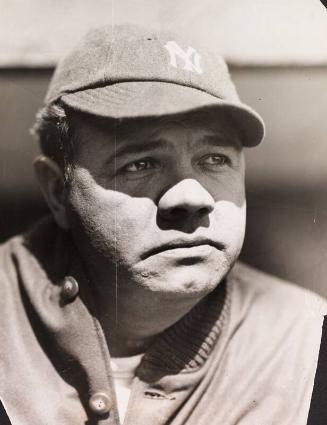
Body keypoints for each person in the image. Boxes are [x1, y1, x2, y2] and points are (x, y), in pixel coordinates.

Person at [0, 24, 325, 425]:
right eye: (140, 163)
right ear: (57, 191)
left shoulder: (307, 338)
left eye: (215, 159)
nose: (191, 197)